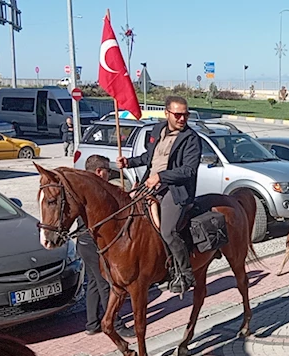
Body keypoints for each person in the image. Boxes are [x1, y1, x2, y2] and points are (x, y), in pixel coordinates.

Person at [116, 96, 201, 294]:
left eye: (185, 115)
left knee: (168, 231)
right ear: (167, 113)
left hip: (176, 189)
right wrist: (129, 162)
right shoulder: (157, 130)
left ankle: (185, 273)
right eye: (178, 114)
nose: (182, 118)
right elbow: (150, 157)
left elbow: (189, 170)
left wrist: (161, 177)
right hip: (150, 185)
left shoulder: (191, 138)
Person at [77, 155, 134, 337]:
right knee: (106, 283)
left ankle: (92, 323)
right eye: (108, 172)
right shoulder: (94, 190)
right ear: (99, 172)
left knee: (93, 282)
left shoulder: (82, 187)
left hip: (82, 242)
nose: (109, 176)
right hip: (93, 242)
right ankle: (115, 324)